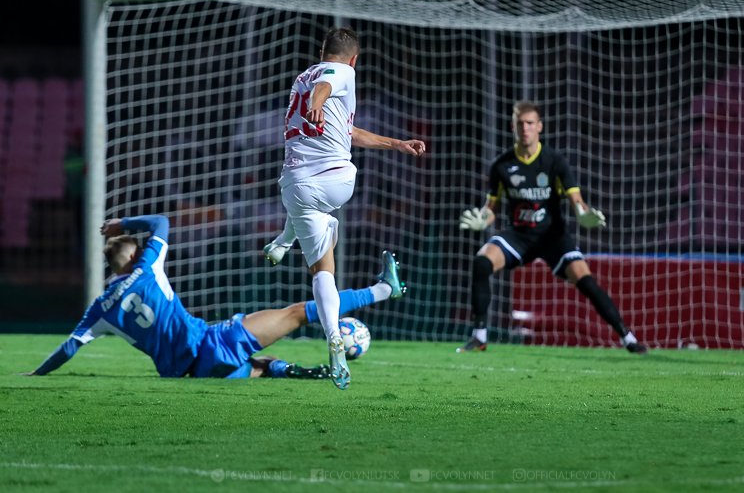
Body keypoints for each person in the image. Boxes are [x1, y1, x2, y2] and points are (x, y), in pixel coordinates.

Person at [23, 214, 406, 380]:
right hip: (211, 343)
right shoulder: (148, 267)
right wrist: (122, 224)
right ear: (136, 255)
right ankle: (383, 290)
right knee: (297, 313)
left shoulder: (101, 307)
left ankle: (308, 374)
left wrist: (37, 374)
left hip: (191, 373)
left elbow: (70, 347)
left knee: (260, 366)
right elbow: (161, 223)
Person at [262, 27, 425, 389]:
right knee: (325, 252)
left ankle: (285, 247)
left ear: (321, 51)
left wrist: (395, 143)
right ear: (354, 59)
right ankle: (286, 247)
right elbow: (326, 86)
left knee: (321, 268)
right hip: (336, 180)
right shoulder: (341, 72)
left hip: (294, 185)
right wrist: (318, 102)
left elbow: (346, 129)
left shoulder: (301, 79)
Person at [457, 100, 647, 354]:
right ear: (513, 127)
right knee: (482, 261)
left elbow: (577, 201)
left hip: (552, 236)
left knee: (585, 280)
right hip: (519, 236)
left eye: (530, 123)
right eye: (520, 123)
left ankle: (628, 338)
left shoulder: (554, 161)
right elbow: (491, 208)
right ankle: (479, 337)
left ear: (540, 127)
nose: (525, 128)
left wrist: (584, 215)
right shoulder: (502, 165)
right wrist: (483, 218)